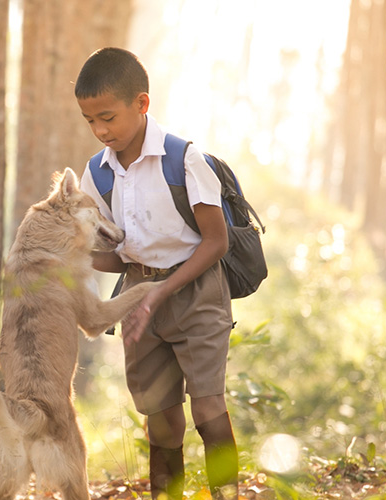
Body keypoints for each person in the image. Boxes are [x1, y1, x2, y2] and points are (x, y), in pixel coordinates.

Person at [75, 47, 239, 500]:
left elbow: (215, 242)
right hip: (138, 298)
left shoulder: (184, 160)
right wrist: (73, 257)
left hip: (197, 293)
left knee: (208, 407)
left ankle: (227, 494)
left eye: (107, 116)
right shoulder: (97, 174)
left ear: (141, 104)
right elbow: (116, 256)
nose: (100, 130)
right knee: (161, 420)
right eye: (90, 120)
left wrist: (163, 289)